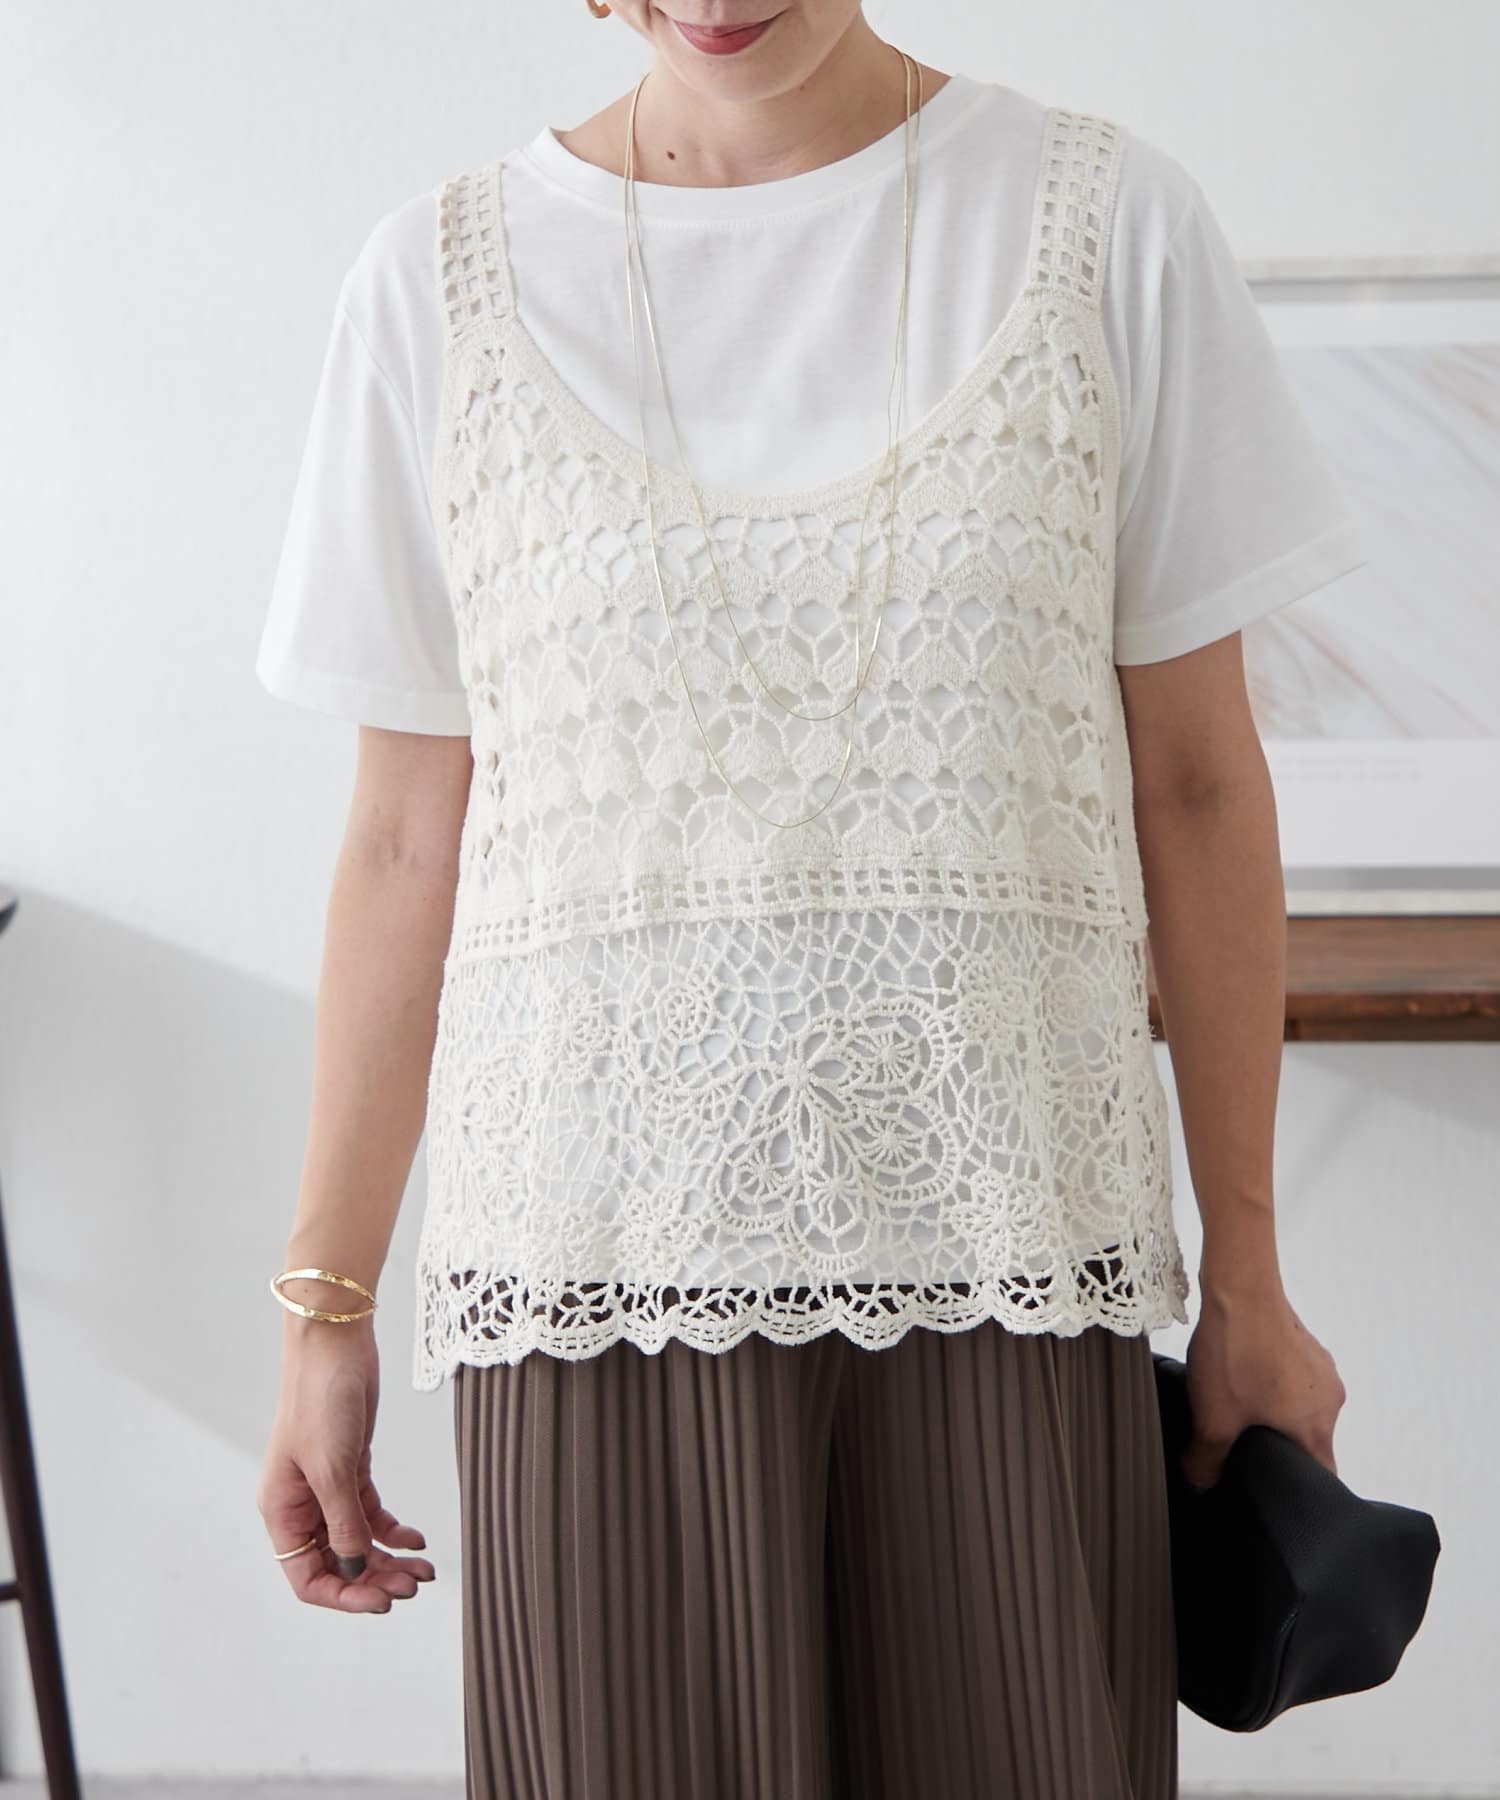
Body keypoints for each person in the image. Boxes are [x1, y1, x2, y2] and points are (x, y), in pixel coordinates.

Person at [255, 4, 1356, 1795]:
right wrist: (326, 1311)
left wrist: (1250, 1273)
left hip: (1009, 1267)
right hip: (595, 1290)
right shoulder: (434, 286)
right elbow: (400, 842)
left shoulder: (1105, 226)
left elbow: (1204, 788)